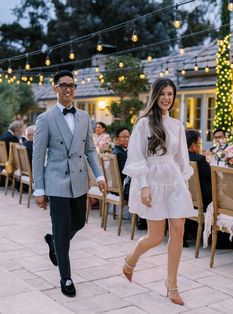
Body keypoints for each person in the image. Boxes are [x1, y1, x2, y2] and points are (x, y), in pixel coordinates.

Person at [33, 70, 107, 297]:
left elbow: (90, 150)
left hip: (79, 181)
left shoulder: (84, 117)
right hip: (55, 181)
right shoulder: (45, 119)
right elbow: (37, 156)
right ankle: (66, 277)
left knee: (80, 223)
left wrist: (101, 176)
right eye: (63, 85)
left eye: (72, 85)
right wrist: (39, 188)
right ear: (55, 88)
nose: (68, 89)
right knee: (63, 228)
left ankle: (54, 242)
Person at [122, 78, 195, 306]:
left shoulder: (177, 125)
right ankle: (130, 260)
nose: (166, 98)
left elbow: (182, 158)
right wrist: (144, 185)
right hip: (152, 181)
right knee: (155, 236)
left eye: (170, 94)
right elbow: (136, 156)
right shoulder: (143, 123)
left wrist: (183, 184)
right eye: (162, 93)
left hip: (174, 181)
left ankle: (171, 283)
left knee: (179, 230)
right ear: (155, 95)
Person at [184, 129, 212, 246]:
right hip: (204, 200)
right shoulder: (200, 159)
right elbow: (212, 176)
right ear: (193, 145)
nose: (200, 146)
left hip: (188, 198)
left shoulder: (181, 157)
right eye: (199, 144)